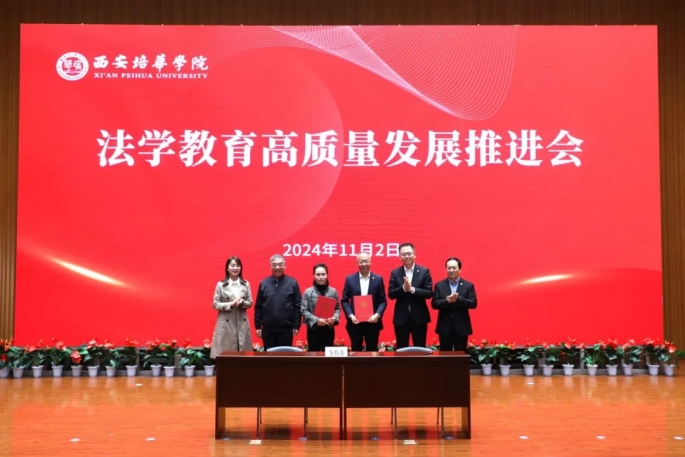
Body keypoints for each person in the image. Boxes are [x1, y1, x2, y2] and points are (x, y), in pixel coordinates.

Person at [388, 242, 433, 348]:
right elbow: (391, 294)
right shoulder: (395, 273)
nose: (406, 256)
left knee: (420, 348)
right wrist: (403, 288)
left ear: (414, 255)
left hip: (419, 317)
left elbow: (429, 293)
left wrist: (412, 289)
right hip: (401, 318)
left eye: (409, 254)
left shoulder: (424, 271)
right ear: (399, 256)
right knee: (401, 349)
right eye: (403, 254)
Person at [253, 254, 303, 350]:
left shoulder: (292, 283)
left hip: (286, 329)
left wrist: (296, 325)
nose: (277, 267)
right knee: (269, 357)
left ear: (285, 266)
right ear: (270, 266)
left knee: (284, 357)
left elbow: (298, 306)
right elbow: (258, 306)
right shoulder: (264, 283)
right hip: (268, 330)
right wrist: (258, 326)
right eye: (274, 265)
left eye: (280, 264)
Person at [341, 252, 387, 352]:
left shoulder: (378, 279)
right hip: (355, 322)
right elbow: (344, 301)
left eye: (366, 261)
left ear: (371, 262)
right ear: (357, 262)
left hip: (372, 323)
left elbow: (383, 301)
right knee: (356, 351)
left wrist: (377, 315)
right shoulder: (350, 279)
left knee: (372, 351)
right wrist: (350, 315)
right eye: (361, 261)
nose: (364, 264)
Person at [210, 256, 253, 357]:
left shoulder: (246, 284)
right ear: (227, 268)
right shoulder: (221, 285)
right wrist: (230, 304)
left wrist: (242, 302)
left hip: (241, 322)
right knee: (226, 355)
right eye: (232, 266)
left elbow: (250, 302)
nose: (235, 268)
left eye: (238, 266)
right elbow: (215, 304)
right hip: (226, 323)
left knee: (243, 354)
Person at [431, 257, 477, 351]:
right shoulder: (439, 285)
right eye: (449, 268)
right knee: (445, 356)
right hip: (445, 327)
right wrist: (447, 301)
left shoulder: (468, 285)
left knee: (460, 356)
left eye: (454, 268)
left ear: (460, 269)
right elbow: (434, 304)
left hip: (461, 327)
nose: (451, 270)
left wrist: (458, 299)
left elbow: (473, 303)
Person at [301, 263, 341, 351]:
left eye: (323, 274)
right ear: (314, 276)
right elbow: (304, 310)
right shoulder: (308, 292)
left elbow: (337, 308)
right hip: (313, 329)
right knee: (313, 355)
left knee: (328, 355)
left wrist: (335, 318)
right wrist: (317, 320)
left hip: (328, 329)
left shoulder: (333, 291)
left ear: (327, 275)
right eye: (318, 274)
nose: (321, 277)